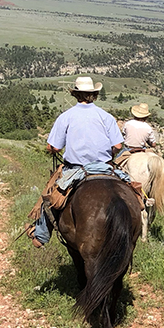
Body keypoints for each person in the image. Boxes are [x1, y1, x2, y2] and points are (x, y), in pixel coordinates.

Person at [27, 76, 124, 247]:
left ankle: (40, 235)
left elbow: (53, 147)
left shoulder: (66, 116)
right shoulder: (106, 116)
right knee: (131, 188)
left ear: (75, 94)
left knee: (51, 193)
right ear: (94, 94)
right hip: (104, 167)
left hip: (76, 168)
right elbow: (117, 145)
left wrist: (54, 150)